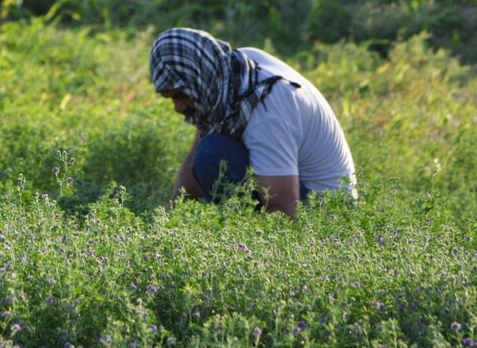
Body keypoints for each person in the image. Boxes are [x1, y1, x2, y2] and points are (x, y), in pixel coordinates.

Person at [149, 27, 357, 219]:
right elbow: (196, 152)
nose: (178, 107)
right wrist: (171, 221)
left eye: (180, 95)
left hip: (327, 214)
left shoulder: (267, 105)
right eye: (171, 98)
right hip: (300, 192)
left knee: (212, 155)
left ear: (201, 76)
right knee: (208, 149)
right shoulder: (233, 73)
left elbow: (283, 210)